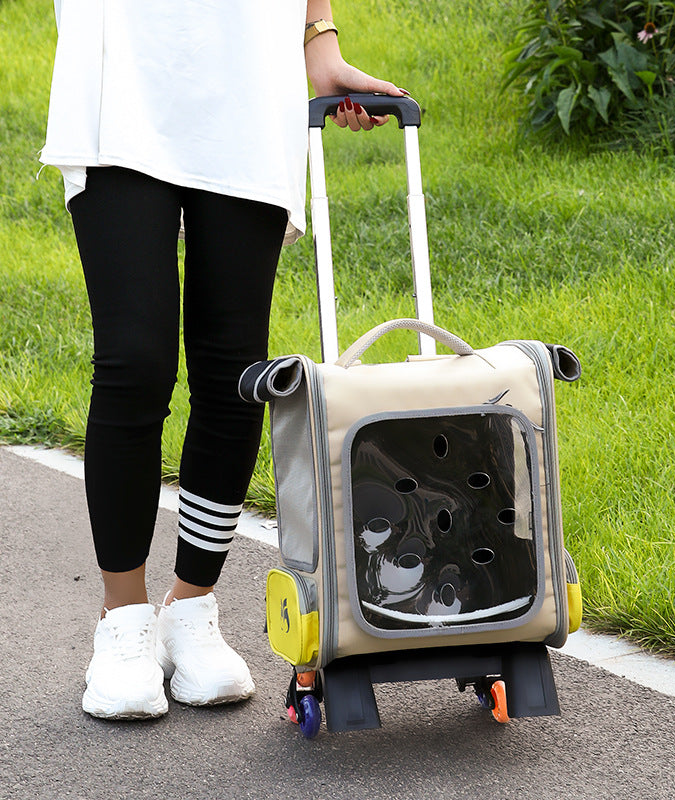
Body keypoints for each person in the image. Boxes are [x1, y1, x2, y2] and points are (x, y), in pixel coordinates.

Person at [40, 0, 405, 720]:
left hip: (249, 79)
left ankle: (191, 608)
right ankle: (123, 624)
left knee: (232, 369)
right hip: (121, 79)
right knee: (135, 358)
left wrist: (319, 40)